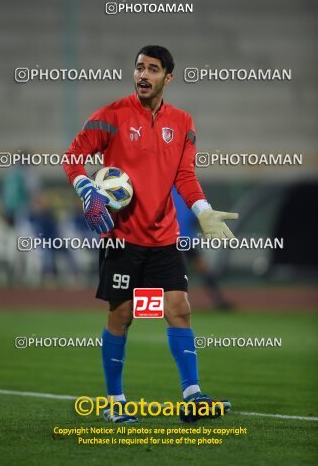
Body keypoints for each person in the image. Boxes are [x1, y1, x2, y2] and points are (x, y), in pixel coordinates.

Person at [63, 45, 238, 423]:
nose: (143, 75)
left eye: (152, 69)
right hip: (122, 237)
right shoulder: (110, 116)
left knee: (180, 311)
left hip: (164, 237)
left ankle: (192, 396)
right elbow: (73, 157)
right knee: (122, 316)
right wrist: (87, 191)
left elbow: (185, 176)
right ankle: (114, 402)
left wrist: (203, 212)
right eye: (139, 67)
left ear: (168, 77)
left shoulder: (184, 121)